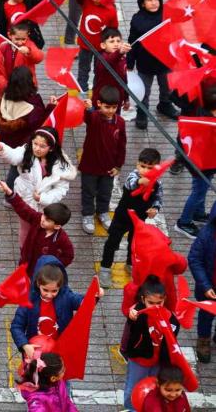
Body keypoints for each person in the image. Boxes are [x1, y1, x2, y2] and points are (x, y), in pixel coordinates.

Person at [0, 127, 76, 247]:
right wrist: (3, 149)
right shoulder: (26, 151)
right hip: (26, 200)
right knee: (25, 229)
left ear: (51, 148)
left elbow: (61, 189)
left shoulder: (61, 166)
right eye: (35, 144)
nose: (37, 148)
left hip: (46, 207)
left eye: (42, 146)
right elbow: (14, 156)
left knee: (42, 231)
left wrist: (43, 198)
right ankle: (24, 250)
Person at [99, 148, 164, 287]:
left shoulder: (157, 182)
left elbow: (158, 198)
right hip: (122, 217)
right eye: (142, 166)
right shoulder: (133, 176)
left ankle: (130, 263)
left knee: (135, 244)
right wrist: (141, 181)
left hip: (139, 219)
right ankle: (105, 268)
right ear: (137, 164)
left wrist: (155, 208)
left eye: (150, 168)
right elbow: (131, 184)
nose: (145, 170)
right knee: (112, 242)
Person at [11, 256, 89, 360]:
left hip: (59, 351)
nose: (49, 295)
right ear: (38, 284)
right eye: (45, 290)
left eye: (54, 291)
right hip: (35, 352)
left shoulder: (66, 297)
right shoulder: (28, 301)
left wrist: (94, 295)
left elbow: (83, 302)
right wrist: (25, 345)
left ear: (60, 286)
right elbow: (16, 326)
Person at [121, 275, 180, 411]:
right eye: (151, 303)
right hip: (139, 359)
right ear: (143, 299)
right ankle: (131, 408)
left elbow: (172, 340)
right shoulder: (138, 314)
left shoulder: (170, 318)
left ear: (164, 299)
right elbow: (132, 330)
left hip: (158, 361)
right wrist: (131, 318)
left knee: (155, 387)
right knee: (132, 387)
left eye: (159, 303)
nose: (155, 306)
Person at [128, 0, 180, 129]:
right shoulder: (137, 20)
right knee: (144, 90)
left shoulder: (167, 15)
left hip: (165, 61)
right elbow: (133, 43)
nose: (154, 2)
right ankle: (142, 111)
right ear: (142, 3)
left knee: (166, 87)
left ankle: (165, 104)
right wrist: (130, 64)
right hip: (145, 63)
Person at [77, 86, 127, 235]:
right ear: (99, 104)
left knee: (106, 192)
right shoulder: (94, 118)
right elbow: (88, 118)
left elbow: (122, 145)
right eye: (107, 107)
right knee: (88, 191)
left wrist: (118, 165)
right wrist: (88, 109)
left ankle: (103, 212)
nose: (110, 110)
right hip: (90, 165)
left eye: (114, 107)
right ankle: (87, 214)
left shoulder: (120, 122)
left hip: (109, 167)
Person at [0, 181, 74, 275]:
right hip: (25, 264)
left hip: (41, 274)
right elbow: (24, 209)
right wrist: (9, 193)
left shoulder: (62, 238)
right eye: (44, 215)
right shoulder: (38, 219)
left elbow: (69, 255)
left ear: (57, 226)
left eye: (47, 220)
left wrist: (54, 267)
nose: (42, 219)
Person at [0, 67, 53, 181]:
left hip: (9, 144)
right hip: (25, 148)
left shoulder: (5, 98)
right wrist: (51, 107)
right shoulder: (32, 107)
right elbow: (42, 125)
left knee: (15, 165)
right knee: (20, 170)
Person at [174, 82, 216, 237]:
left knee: (203, 188)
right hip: (201, 165)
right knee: (198, 191)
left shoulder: (202, 114)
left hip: (206, 164)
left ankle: (199, 213)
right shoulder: (205, 123)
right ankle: (184, 222)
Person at [76, 0, 119, 91]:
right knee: (83, 69)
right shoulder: (87, 2)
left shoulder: (111, 10)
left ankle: (97, 91)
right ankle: (82, 90)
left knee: (99, 71)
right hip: (85, 45)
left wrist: (112, 46)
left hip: (101, 48)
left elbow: (113, 30)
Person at [0, 22, 45, 96]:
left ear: (28, 35)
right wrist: (3, 84)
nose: (20, 43)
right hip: (6, 88)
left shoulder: (29, 45)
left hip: (25, 87)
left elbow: (39, 57)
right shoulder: (2, 48)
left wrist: (29, 51)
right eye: (17, 39)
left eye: (23, 39)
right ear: (10, 35)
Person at [188, 218, 216, 362]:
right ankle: (203, 340)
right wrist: (206, 286)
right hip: (210, 288)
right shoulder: (207, 234)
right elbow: (195, 259)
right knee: (206, 315)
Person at [92, 28, 131, 111]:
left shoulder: (122, 59)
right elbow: (110, 61)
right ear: (103, 45)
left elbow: (124, 80)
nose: (116, 44)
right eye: (112, 41)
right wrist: (119, 52)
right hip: (102, 102)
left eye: (118, 41)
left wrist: (126, 98)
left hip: (117, 101)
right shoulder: (102, 58)